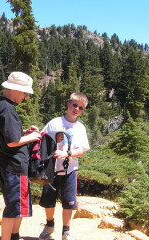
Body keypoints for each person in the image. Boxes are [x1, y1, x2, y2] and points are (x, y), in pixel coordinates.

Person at [0, 72, 42, 240]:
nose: (26, 96)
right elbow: (12, 142)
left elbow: (7, 136)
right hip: (14, 165)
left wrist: (24, 132)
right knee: (13, 207)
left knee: (17, 205)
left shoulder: (0, 105)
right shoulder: (8, 108)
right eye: (24, 92)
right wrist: (32, 137)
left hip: (8, 163)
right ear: (15, 89)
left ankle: (14, 236)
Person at [38, 92, 90, 240]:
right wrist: (53, 137)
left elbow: (81, 150)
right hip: (51, 169)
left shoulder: (80, 128)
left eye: (80, 108)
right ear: (68, 104)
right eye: (74, 105)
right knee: (48, 200)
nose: (77, 109)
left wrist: (67, 154)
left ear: (83, 111)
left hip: (70, 170)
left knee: (69, 202)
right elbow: (41, 139)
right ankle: (49, 225)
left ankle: (66, 231)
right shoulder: (54, 123)